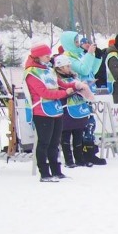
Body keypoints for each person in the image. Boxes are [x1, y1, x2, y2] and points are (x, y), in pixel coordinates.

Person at [24, 43, 81, 181]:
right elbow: (44, 92)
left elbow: (61, 84)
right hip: (41, 111)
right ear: (37, 56)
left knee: (55, 142)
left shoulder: (48, 70)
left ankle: (57, 171)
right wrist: (63, 93)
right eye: (46, 55)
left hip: (55, 110)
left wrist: (75, 85)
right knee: (44, 142)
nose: (49, 58)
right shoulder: (31, 72)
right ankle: (44, 173)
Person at [56, 31, 107, 165]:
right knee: (83, 125)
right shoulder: (68, 57)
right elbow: (83, 70)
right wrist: (90, 54)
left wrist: (97, 57)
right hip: (76, 97)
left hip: (85, 94)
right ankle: (83, 153)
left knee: (90, 124)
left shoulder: (78, 54)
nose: (78, 44)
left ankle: (89, 151)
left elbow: (91, 70)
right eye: (76, 42)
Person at [56, 54, 97, 169]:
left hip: (78, 110)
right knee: (65, 136)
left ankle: (80, 158)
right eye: (67, 66)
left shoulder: (74, 77)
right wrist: (73, 90)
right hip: (66, 111)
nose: (69, 68)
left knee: (78, 135)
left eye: (69, 66)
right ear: (60, 68)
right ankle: (69, 160)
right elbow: (60, 93)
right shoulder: (57, 80)